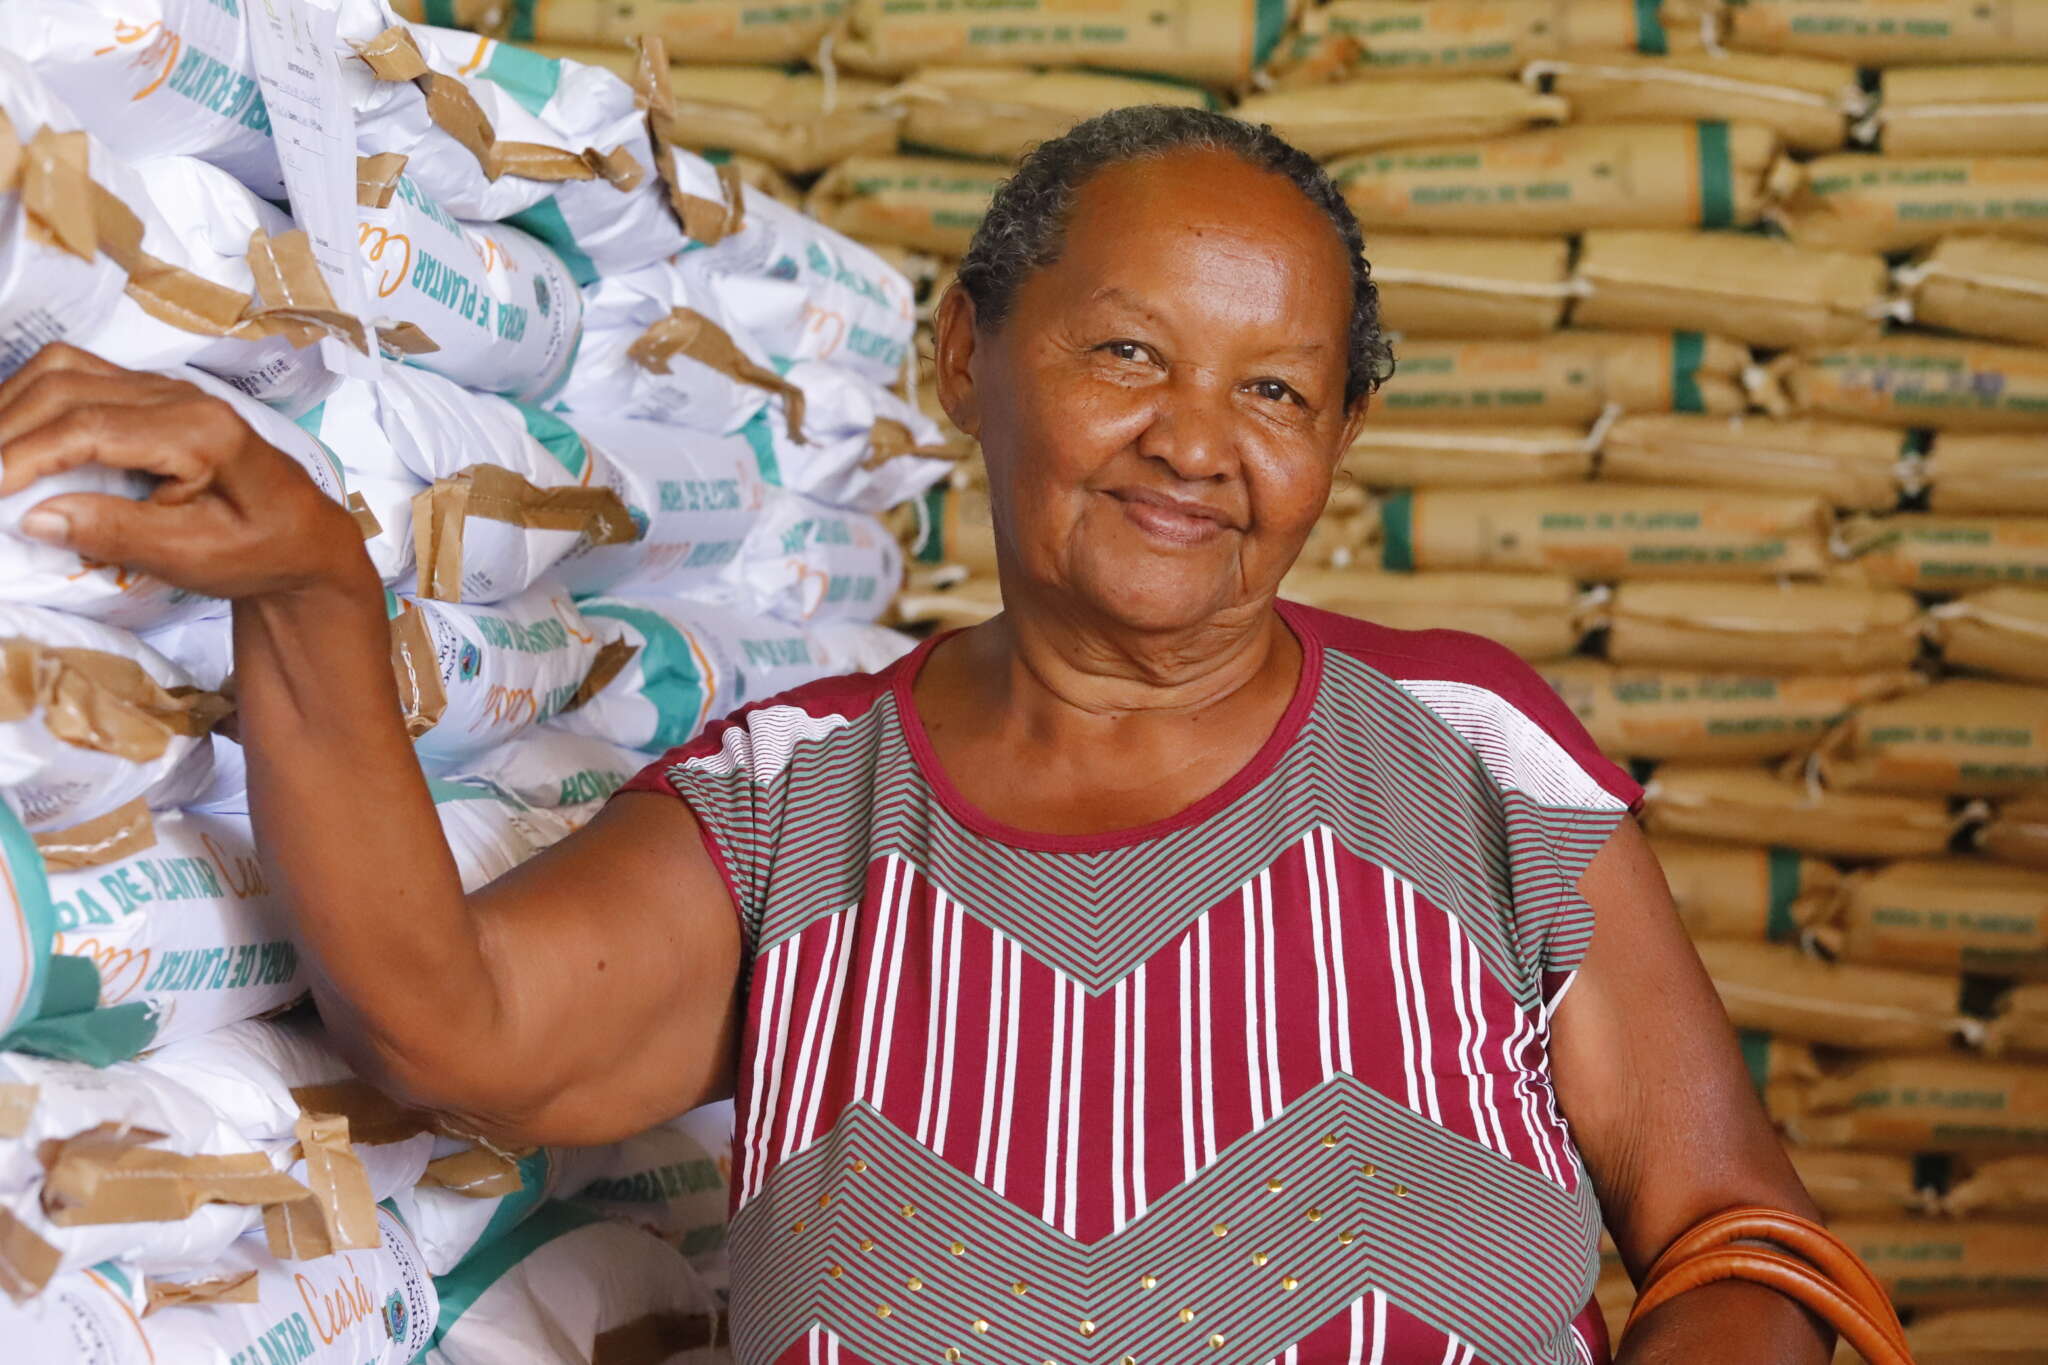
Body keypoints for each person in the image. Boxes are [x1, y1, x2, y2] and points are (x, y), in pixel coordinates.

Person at [0, 107, 1834, 1364]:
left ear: (1335, 444)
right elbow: (452, 1021)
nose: (1198, 439)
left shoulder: (1469, 754)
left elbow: (1737, 1235)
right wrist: (318, 591)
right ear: (967, 353)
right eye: (1128, 354)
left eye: (1274, 387)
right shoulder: (796, 802)